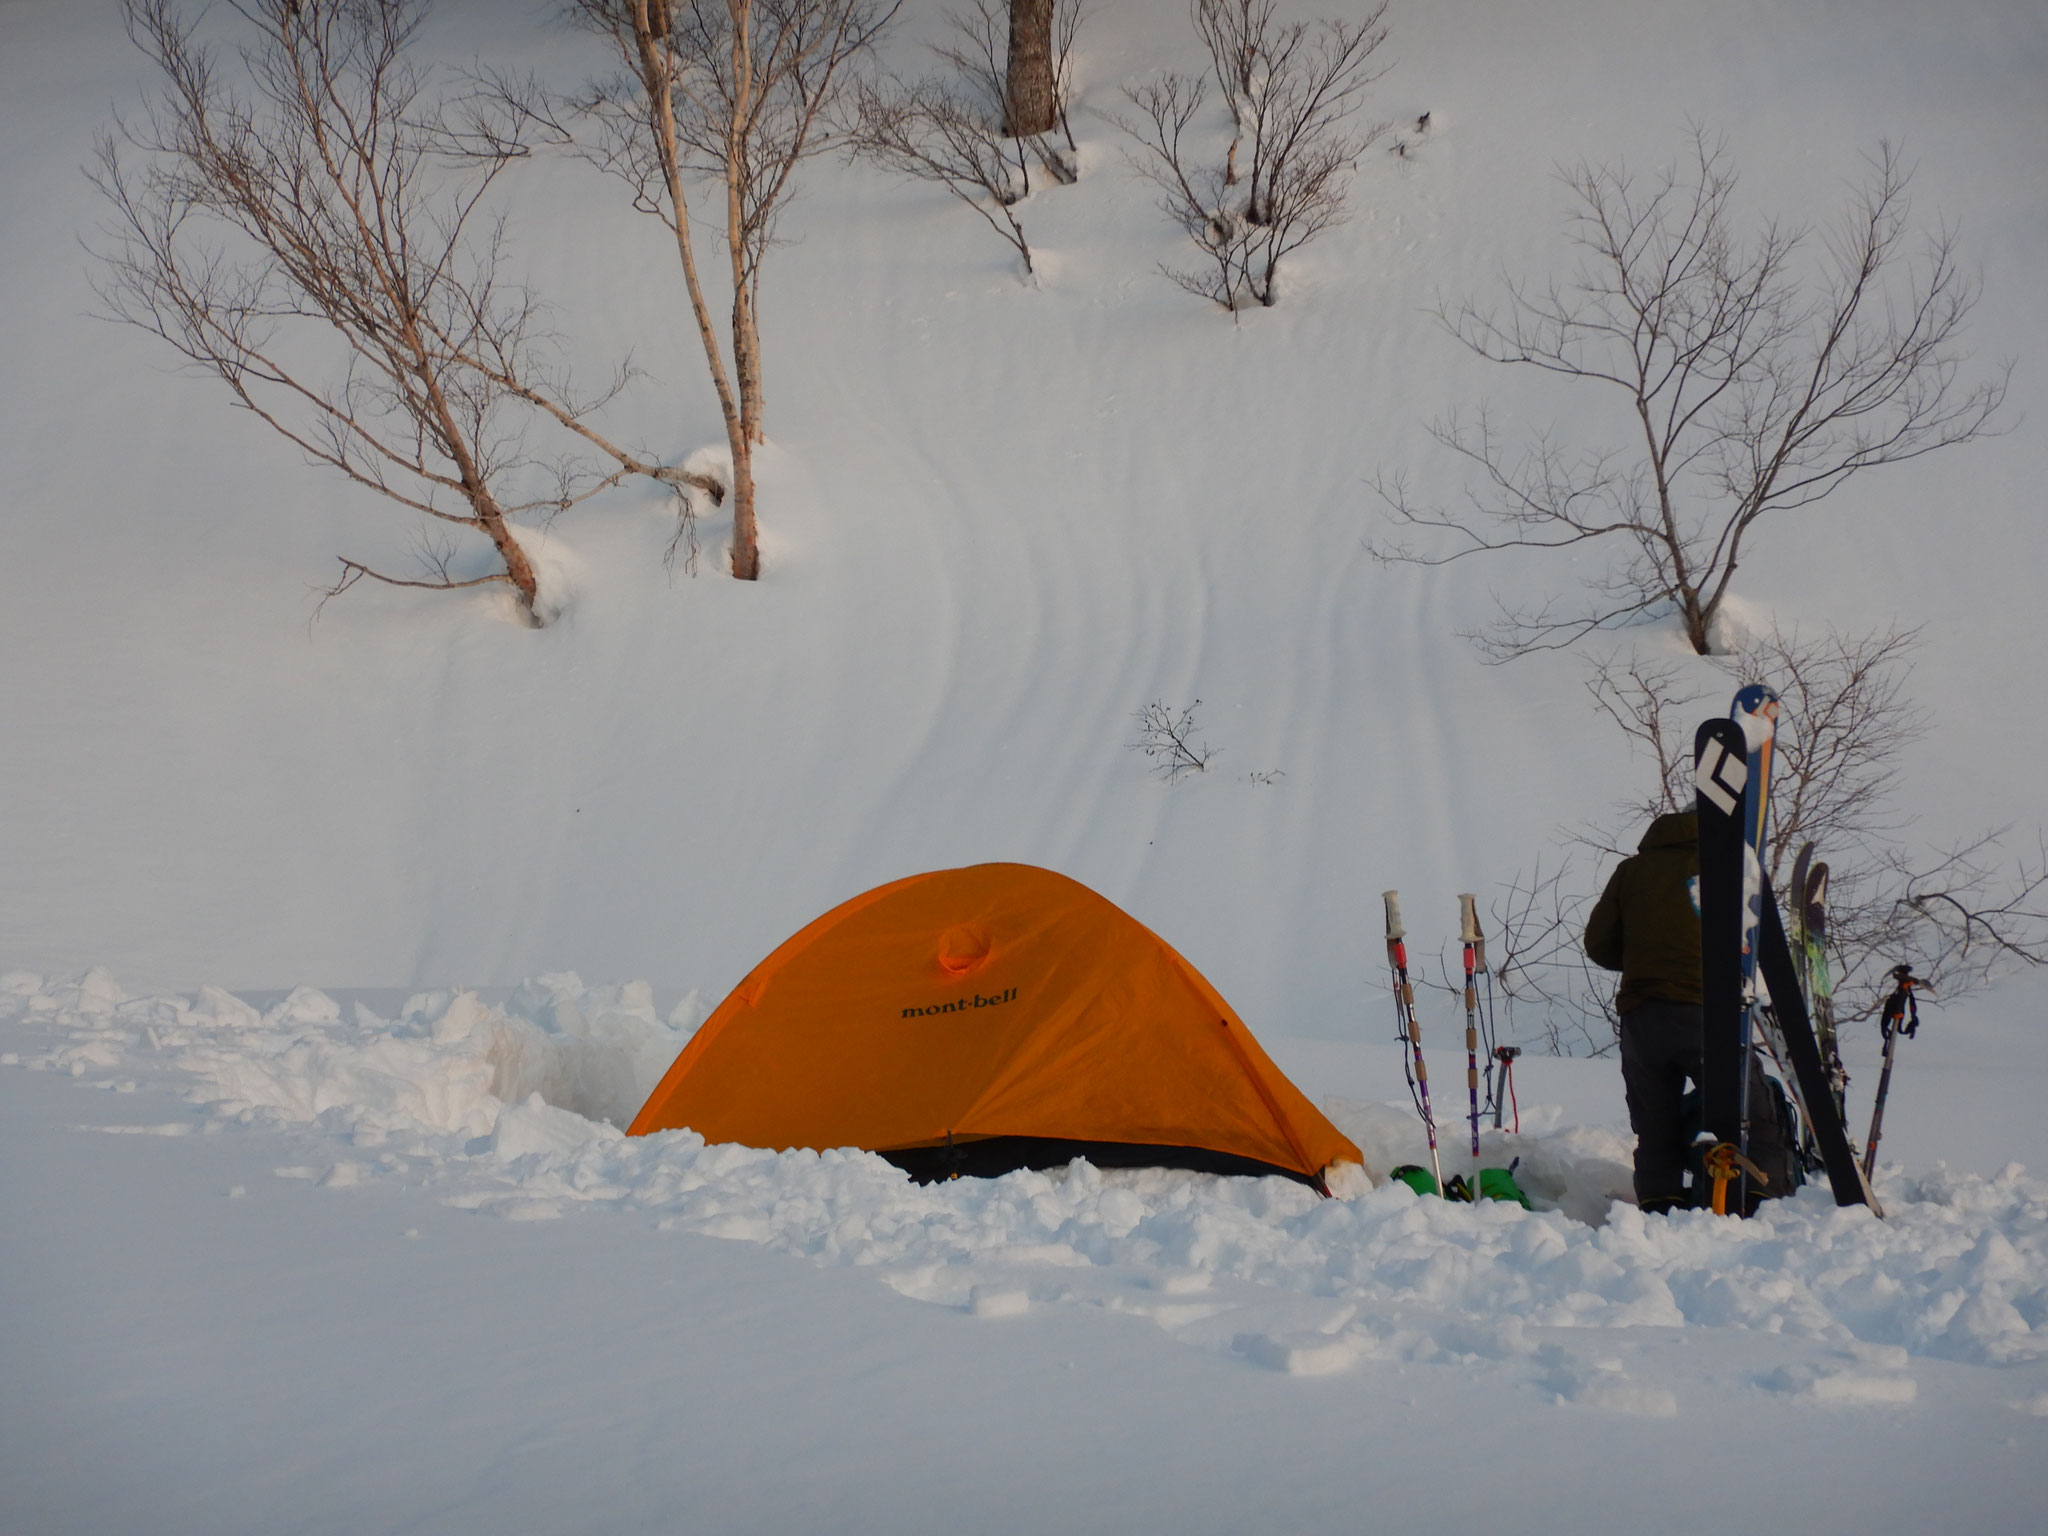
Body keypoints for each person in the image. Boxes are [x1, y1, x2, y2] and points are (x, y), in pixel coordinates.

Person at [1585, 809, 1789, 1214]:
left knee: (1654, 1123)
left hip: (1643, 1018)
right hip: (1707, 1014)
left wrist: (1646, 960)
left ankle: (1660, 1204)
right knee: (1748, 1112)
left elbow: (1598, 945)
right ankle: (1756, 1198)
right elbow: (1756, 940)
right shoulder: (1728, 869)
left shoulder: (1632, 871)